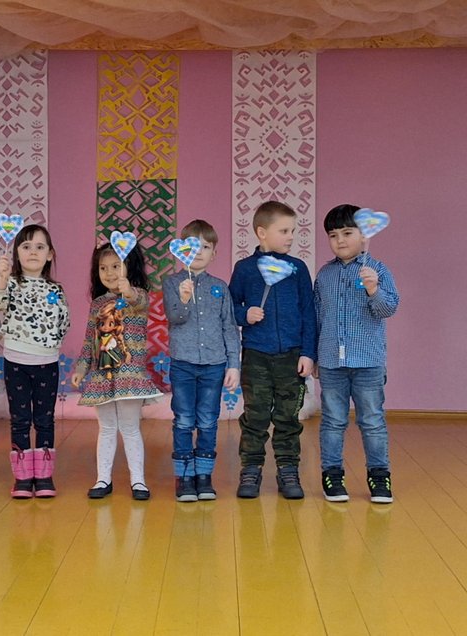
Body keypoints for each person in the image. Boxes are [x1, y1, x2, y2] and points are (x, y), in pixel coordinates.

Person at [229, 201, 316, 499]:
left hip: (291, 356)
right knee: (255, 416)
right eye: (284, 231)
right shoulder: (244, 269)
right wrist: (245, 314)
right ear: (262, 232)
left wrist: (308, 353)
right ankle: (251, 468)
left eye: (293, 231)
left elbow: (308, 313)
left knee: (288, 416)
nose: (291, 236)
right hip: (256, 355)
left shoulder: (298, 269)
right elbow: (230, 308)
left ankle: (288, 469)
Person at [314, 204, 400, 503]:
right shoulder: (324, 274)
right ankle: (332, 475)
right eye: (333, 235)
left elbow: (388, 309)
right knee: (332, 421)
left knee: (372, 421)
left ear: (364, 235)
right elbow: (317, 316)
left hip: (368, 362)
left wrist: (374, 289)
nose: (340, 240)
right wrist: (314, 356)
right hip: (330, 362)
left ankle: (379, 476)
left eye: (347, 233)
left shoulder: (378, 270)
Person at [0, 224, 70, 499]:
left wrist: (51, 342)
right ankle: (22, 478)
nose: (33, 252)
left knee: (44, 420)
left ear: (50, 254)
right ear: (17, 253)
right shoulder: (9, 284)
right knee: (20, 420)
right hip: (16, 362)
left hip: (47, 362)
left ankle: (44, 476)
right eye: (26, 246)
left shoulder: (55, 289)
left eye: (40, 247)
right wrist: (1, 278)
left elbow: (64, 321)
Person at [71, 242, 162, 501]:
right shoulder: (98, 303)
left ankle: (138, 481)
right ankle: (103, 479)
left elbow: (137, 300)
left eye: (115, 266)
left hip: (130, 376)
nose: (109, 273)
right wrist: (82, 367)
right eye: (103, 268)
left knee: (131, 428)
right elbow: (90, 339)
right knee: (107, 428)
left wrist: (128, 290)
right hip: (103, 375)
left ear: (129, 267)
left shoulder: (139, 296)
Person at [163, 220, 240, 501]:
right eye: (191, 246)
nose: (198, 252)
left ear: (214, 253)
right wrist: (184, 299)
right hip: (182, 363)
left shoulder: (220, 287)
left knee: (208, 420)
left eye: (205, 247)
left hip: (214, 364)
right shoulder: (172, 282)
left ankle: (204, 476)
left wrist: (234, 364)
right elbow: (175, 317)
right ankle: (184, 477)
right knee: (184, 419)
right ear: (180, 251)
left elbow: (229, 326)